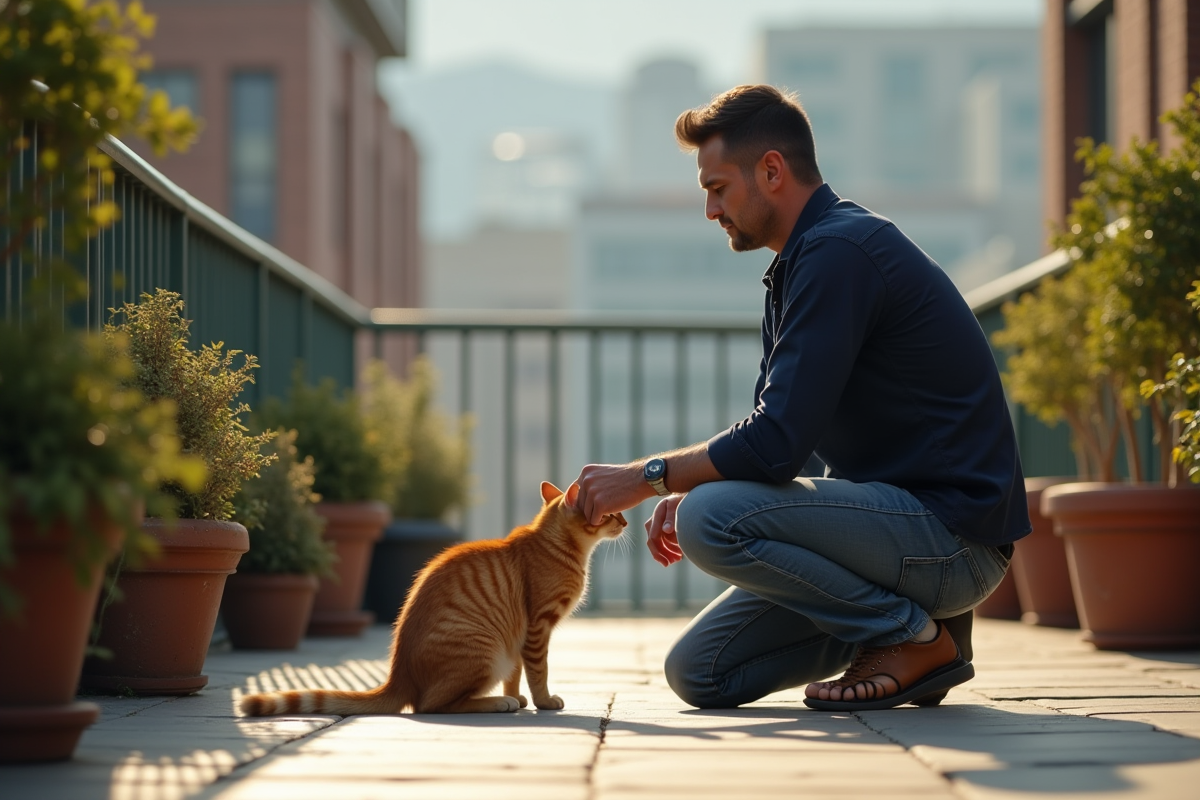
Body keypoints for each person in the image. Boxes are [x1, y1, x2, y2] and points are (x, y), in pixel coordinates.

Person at [571, 84, 1030, 712]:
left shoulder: (840, 251)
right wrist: (696, 487)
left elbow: (774, 442)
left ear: (771, 170)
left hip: (953, 544)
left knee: (712, 519)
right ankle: (926, 632)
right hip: (895, 541)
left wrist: (650, 477)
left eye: (718, 187)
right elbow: (797, 443)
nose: (710, 209)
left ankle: (911, 638)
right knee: (699, 673)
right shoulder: (800, 263)